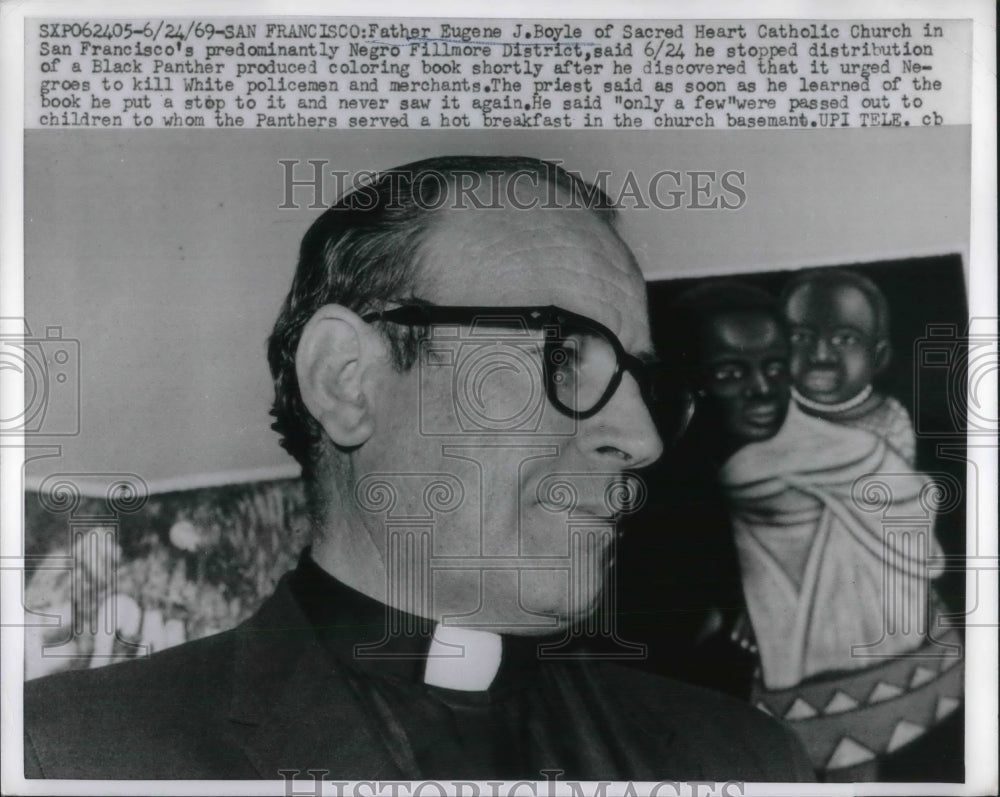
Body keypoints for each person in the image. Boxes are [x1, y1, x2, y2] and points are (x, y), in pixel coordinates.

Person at [23, 156, 815, 782]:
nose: (641, 438)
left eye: (643, 381)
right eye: (561, 355)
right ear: (348, 380)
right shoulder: (67, 754)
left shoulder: (748, 761)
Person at [676, 281, 962, 781]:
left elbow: (906, 500)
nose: (762, 389)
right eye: (728, 373)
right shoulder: (669, 473)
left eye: (775, 367)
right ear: (689, 381)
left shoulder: (839, 450)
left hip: (845, 665)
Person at [781, 268, 917, 466]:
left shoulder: (889, 419)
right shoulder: (774, 410)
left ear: (878, 357)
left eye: (845, 339)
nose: (821, 356)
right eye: (801, 337)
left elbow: (901, 486)